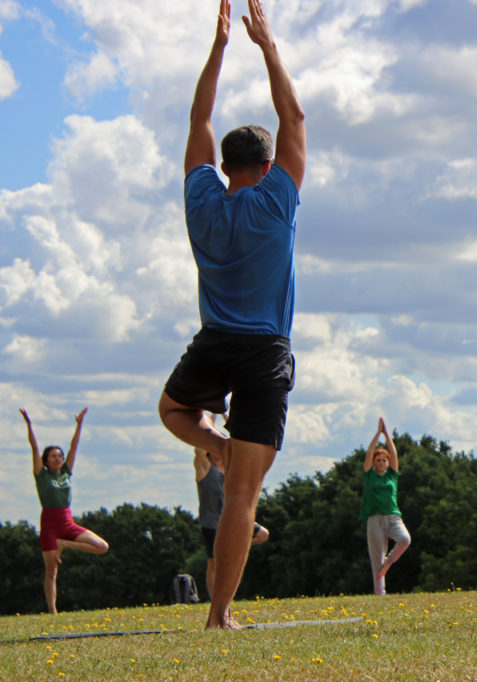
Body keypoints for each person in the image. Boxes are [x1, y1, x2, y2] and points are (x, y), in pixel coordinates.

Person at [157, 0, 305, 629]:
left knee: (171, 410)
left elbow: (200, 116)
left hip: (215, 342)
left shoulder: (201, 200)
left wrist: (217, 48)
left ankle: (212, 444)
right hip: (265, 351)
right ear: (268, 168)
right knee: (244, 494)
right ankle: (220, 615)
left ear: (222, 167)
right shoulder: (277, 201)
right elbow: (292, 114)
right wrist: (266, 46)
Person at [20, 408, 109, 614]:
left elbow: (74, 446)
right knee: (51, 571)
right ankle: (52, 611)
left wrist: (79, 423)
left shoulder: (67, 472)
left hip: (67, 523)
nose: (58, 458)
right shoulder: (41, 475)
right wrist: (29, 425)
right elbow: (33, 448)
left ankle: (65, 544)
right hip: (49, 524)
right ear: (46, 460)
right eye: (53, 456)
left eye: (60, 456)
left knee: (102, 546)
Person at [194, 413, 269, 602]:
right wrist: (210, 418)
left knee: (263, 534)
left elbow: (240, 437)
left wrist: (224, 414)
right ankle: (214, 599)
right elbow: (199, 446)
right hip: (211, 521)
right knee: (214, 563)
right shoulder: (204, 469)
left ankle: (231, 547)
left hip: (231, 518)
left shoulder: (230, 467)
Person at [360, 417, 411, 595]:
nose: (381, 462)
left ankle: (388, 563)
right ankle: (379, 595)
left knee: (405, 539)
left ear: (387, 463)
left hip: (392, 516)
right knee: (376, 561)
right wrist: (377, 434)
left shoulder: (392, 476)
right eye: (378, 460)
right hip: (374, 518)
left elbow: (394, 454)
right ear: (374, 463)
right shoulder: (370, 476)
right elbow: (368, 454)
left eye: (384, 460)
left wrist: (387, 434)